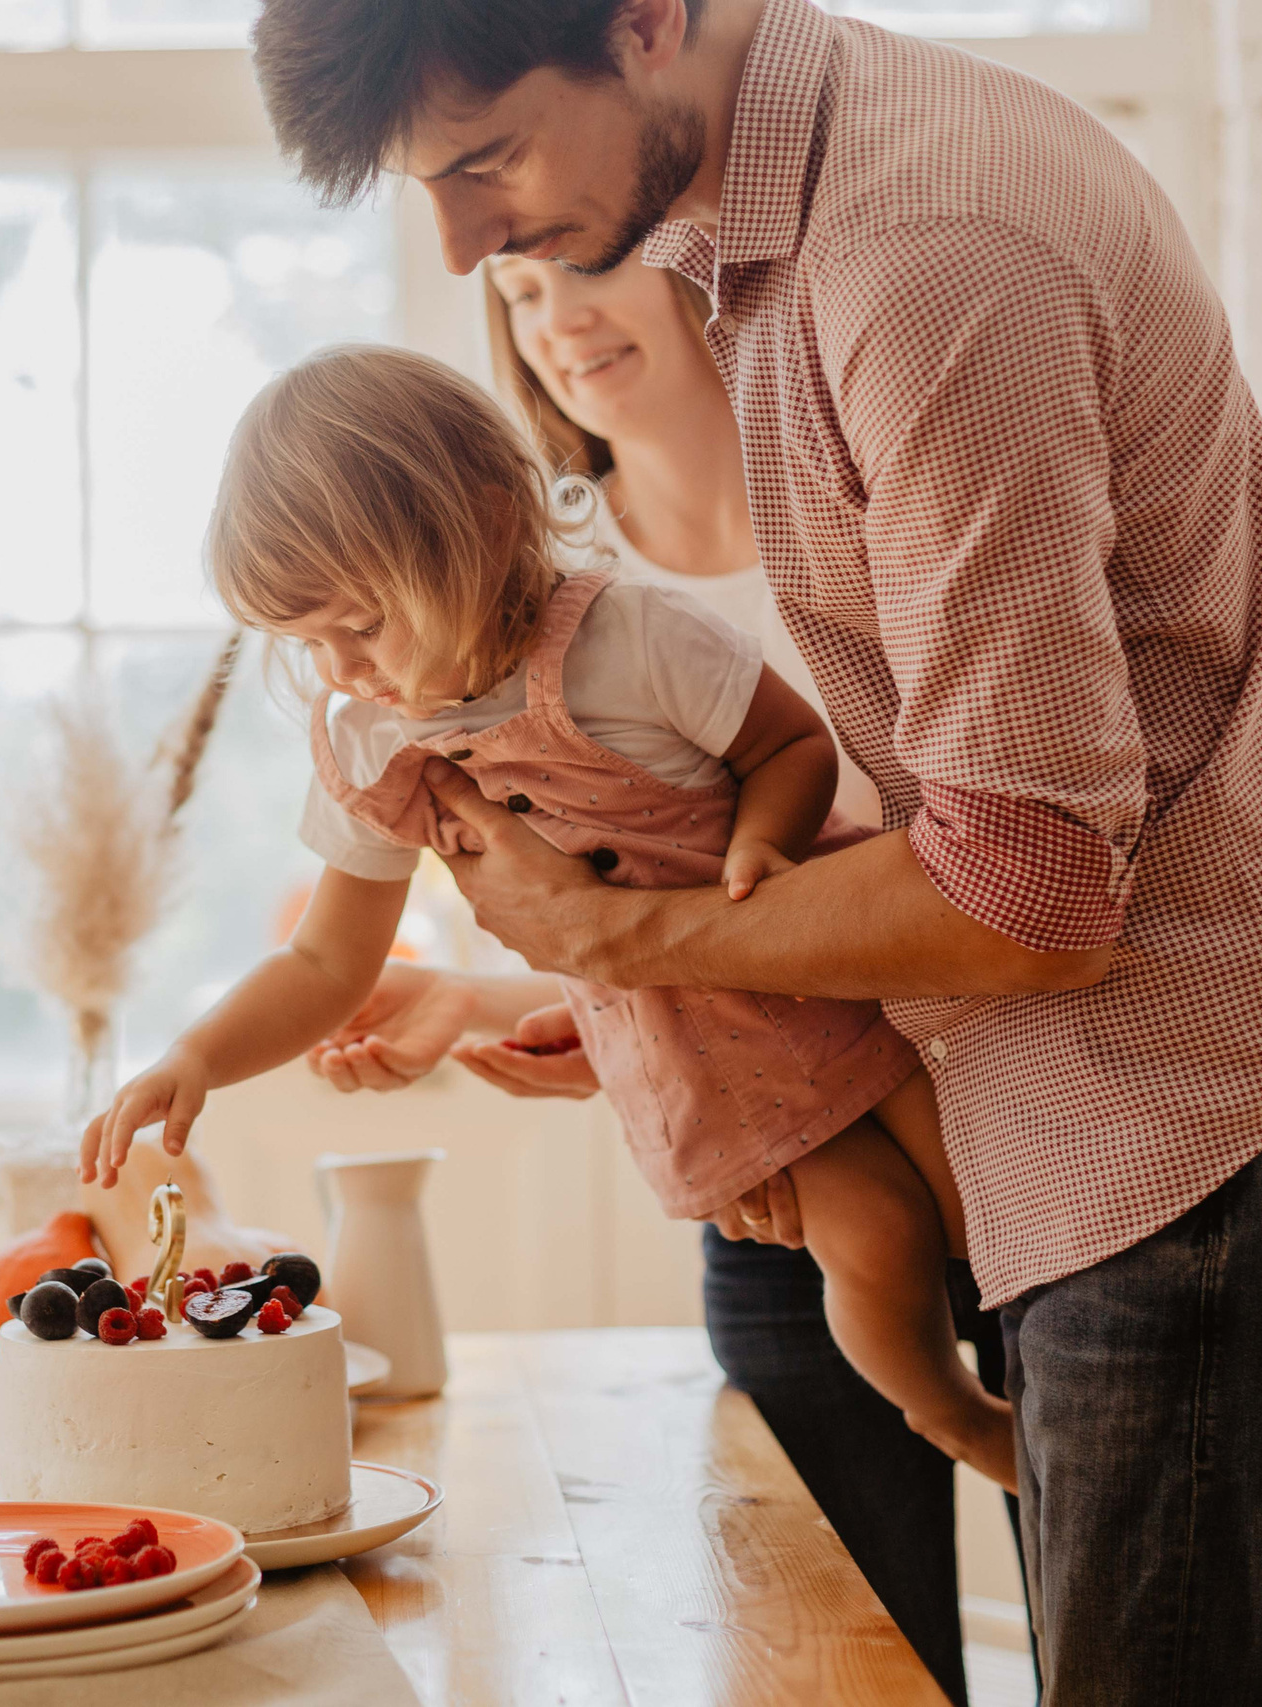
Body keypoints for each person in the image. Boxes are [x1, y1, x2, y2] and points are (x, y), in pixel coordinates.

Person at [249, 3, 1262, 1703]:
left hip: (1194, 1125)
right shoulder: (792, 237)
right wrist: (675, 1010)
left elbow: (1030, 890)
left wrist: (620, 947)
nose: (463, 242)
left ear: (650, 19)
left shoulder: (920, 251)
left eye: (486, 157)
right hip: (1090, 1118)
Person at [76, 342, 1016, 1490]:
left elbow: (789, 743)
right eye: (307, 643)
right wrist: (195, 1058)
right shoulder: (378, 742)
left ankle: (1036, 1399)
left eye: (360, 625)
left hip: (822, 961)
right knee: (875, 1238)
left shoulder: (630, 641)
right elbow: (327, 958)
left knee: (982, 1204)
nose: (340, 670)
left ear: (473, 526)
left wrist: (767, 839)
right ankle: (956, 1416)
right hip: (699, 1050)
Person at [308, 250, 1021, 1705]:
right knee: (851, 1650)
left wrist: (649, 956)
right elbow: (617, 926)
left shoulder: (878, 513)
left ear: (716, 268)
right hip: (780, 1167)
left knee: (1105, 1605)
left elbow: (1001, 864)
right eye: (513, 293)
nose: (554, 317)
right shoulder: (469, 641)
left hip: (1016, 1109)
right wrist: (501, 1005)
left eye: (584, 262)